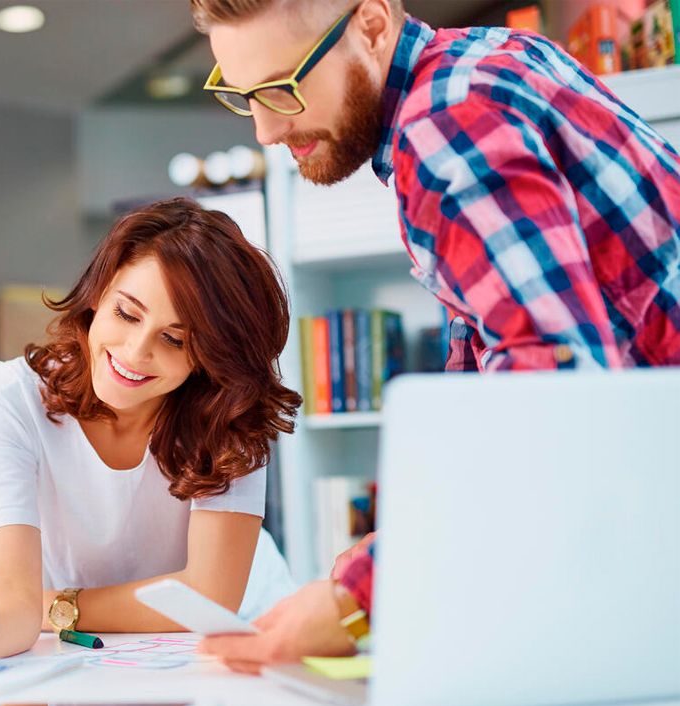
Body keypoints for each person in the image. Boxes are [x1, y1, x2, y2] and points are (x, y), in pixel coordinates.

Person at [191, 0, 680, 672]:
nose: (267, 129)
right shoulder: (488, 61)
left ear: (369, 24)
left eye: (282, 85)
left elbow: (558, 399)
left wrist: (356, 597)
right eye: (241, 94)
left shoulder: (447, 124)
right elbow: (493, 376)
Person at [0, 197, 302, 669]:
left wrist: (55, 605)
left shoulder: (230, 413)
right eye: (127, 314)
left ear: (209, 355)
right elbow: (14, 600)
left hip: (231, 645)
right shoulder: (10, 400)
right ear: (99, 293)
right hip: (81, 650)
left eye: (174, 340)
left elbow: (210, 598)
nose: (135, 353)